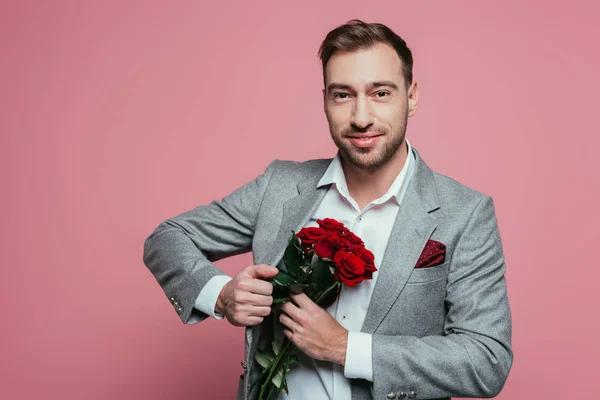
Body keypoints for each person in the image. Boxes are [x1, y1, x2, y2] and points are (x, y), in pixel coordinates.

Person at [143, 19, 512, 400]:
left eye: (380, 93)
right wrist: (220, 295)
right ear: (324, 100)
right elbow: (167, 238)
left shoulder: (465, 213)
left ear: (412, 97)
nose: (361, 117)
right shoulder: (280, 187)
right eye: (342, 95)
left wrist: (345, 347)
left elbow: (486, 360)